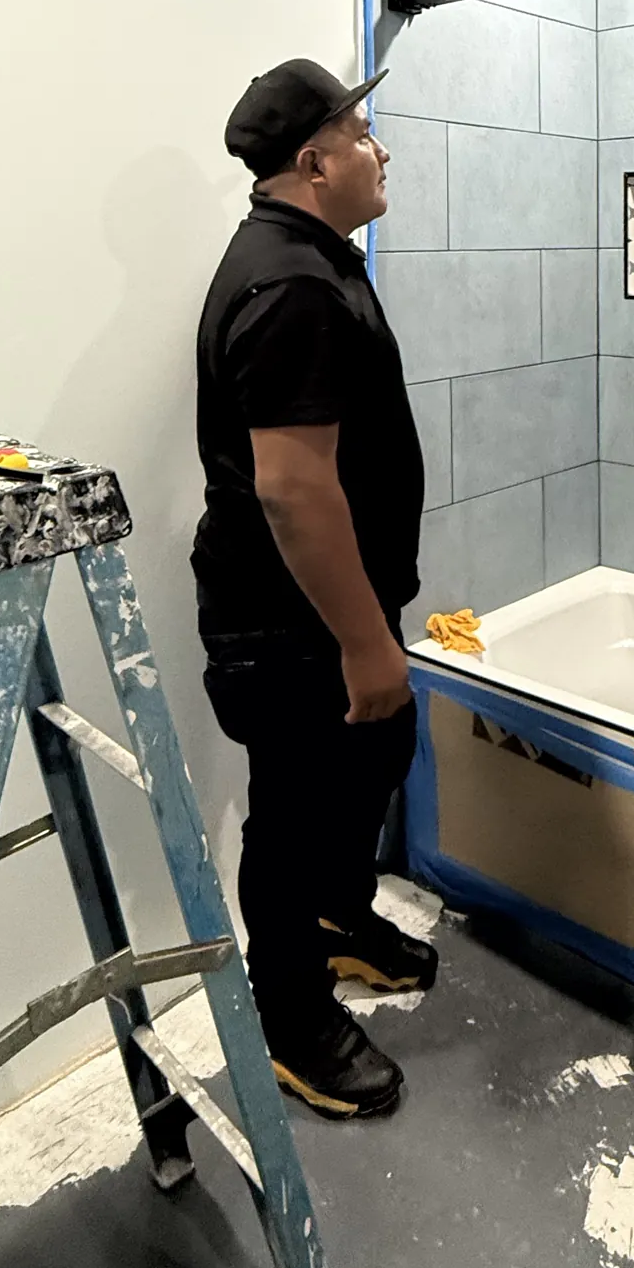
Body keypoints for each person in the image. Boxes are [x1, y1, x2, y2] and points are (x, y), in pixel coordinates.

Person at [193, 57, 433, 1120]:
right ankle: (287, 1017)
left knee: (375, 753)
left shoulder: (310, 256)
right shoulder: (289, 281)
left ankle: (340, 920)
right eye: (367, 132)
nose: (383, 151)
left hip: (326, 612)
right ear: (315, 158)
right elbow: (293, 489)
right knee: (289, 816)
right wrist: (365, 642)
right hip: (292, 623)